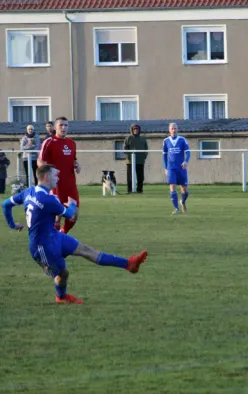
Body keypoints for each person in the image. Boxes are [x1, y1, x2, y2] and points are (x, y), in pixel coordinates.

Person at [1, 165, 148, 304]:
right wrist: (71, 203)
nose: (58, 178)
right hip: (42, 247)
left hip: (54, 236)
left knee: (85, 250)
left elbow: (6, 204)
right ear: (46, 177)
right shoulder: (49, 199)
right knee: (63, 273)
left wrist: (12, 224)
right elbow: (71, 215)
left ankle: (129, 264)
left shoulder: (29, 191)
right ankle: (61, 297)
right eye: (55, 176)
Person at [38, 116, 81, 234]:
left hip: (70, 185)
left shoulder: (71, 143)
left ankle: (62, 234)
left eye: (66, 125)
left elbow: (73, 160)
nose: (64, 127)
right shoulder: (49, 142)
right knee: (57, 214)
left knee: (74, 215)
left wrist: (77, 165)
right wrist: (47, 177)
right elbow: (40, 161)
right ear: (55, 127)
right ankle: (53, 237)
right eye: (61, 125)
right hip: (55, 184)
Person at [163, 123, 190, 214]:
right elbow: (164, 155)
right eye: (172, 129)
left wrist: (186, 161)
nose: (174, 130)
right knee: (172, 187)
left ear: (177, 130)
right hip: (171, 168)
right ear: (169, 130)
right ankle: (176, 209)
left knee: (185, 189)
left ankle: (182, 201)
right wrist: (165, 167)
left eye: (175, 128)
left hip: (181, 168)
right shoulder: (166, 141)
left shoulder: (182, 140)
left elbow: (188, 152)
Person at [124, 123, 148, 194]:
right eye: (134, 129)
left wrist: (144, 156)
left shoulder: (143, 139)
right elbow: (125, 149)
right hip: (130, 161)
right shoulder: (128, 138)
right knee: (130, 177)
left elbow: (146, 149)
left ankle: (139, 190)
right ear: (132, 130)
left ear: (139, 130)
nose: (135, 130)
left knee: (140, 177)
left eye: (137, 129)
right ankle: (129, 190)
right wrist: (129, 156)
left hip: (140, 161)